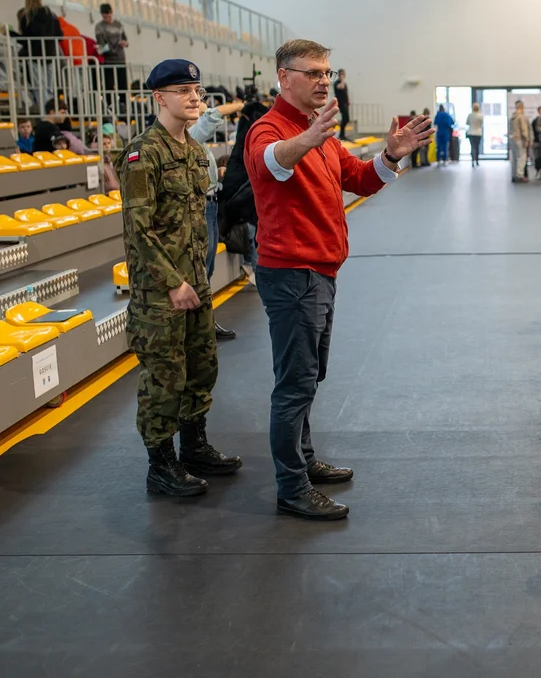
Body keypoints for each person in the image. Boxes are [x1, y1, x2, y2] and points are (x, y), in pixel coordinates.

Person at [244, 39, 433, 520]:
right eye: (313, 73)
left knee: (309, 377)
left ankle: (303, 461)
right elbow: (269, 163)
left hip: (321, 271)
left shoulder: (319, 129)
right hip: (292, 274)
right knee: (294, 385)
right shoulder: (269, 129)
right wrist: (306, 140)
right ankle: (291, 488)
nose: (324, 81)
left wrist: (392, 156)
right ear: (284, 77)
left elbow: (359, 178)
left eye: (327, 72)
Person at [115, 58, 243, 498]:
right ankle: (161, 465)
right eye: (183, 91)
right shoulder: (141, 154)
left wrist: (192, 280)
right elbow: (139, 230)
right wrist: (172, 281)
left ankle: (194, 447)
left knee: (200, 368)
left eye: (197, 90)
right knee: (163, 379)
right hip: (160, 293)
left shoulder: (193, 151)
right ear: (159, 98)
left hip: (194, 284)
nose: (194, 98)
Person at [189, 98, 246, 339]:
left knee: (208, 268)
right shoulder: (189, 134)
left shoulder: (191, 137)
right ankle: (200, 326)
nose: (196, 101)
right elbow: (212, 115)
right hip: (202, 207)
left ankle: (205, 322)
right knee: (202, 269)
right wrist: (239, 106)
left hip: (211, 204)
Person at [17, 0, 62, 108]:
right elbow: (60, 35)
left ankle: (45, 114)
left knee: (39, 87)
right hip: (50, 53)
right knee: (50, 87)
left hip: (35, 54)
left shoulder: (27, 16)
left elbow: (25, 39)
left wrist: (11, 35)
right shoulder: (51, 15)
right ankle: (53, 112)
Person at [94, 4, 128, 108]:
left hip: (120, 59)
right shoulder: (99, 26)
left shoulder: (118, 25)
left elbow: (125, 39)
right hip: (108, 61)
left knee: (122, 84)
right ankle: (109, 104)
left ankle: (123, 104)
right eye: (104, 15)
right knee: (108, 85)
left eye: (108, 14)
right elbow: (101, 43)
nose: (107, 17)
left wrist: (124, 43)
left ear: (111, 13)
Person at [509, 100, 531, 183]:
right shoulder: (521, 116)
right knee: (521, 158)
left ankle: (514, 175)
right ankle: (520, 175)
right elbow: (523, 129)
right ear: (522, 108)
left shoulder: (512, 116)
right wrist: (526, 139)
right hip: (519, 139)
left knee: (514, 158)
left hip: (512, 139)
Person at [333, 69, 350, 141]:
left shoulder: (344, 83)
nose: (343, 75)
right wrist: (342, 80)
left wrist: (348, 100)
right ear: (339, 74)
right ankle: (341, 135)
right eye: (342, 74)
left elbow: (346, 92)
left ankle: (342, 135)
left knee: (346, 118)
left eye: (344, 74)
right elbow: (341, 87)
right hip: (341, 103)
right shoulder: (336, 83)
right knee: (346, 118)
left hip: (345, 103)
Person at [466, 102, 483, 167]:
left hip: (471, 133)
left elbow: (467, 123)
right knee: (477, 147)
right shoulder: (480, 115)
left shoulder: (470, 115)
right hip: (478, 133)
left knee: (472, 147)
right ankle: (477, 160)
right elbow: (481, 124)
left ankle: (472, 160)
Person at [532, 106, 541, 178]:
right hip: (536, 141)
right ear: (538, 112)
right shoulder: (535, 121)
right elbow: (532, 131)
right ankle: (537, 170)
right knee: (536, 157)